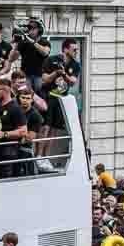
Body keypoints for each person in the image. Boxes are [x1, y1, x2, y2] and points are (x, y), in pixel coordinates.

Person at [37, 38, 81, 172]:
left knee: (54, 130)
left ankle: (46, 157)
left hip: (61, 99)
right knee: (45, 128)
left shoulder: (75, 64)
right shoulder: (51, 60)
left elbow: (73, 82)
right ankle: (38, 156)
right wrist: (56, 73)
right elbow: (44, 79)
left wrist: (64, 74)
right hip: (49, 96)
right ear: (66, 49)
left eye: (77, 50)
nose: (76, 52)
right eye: (74, 49)